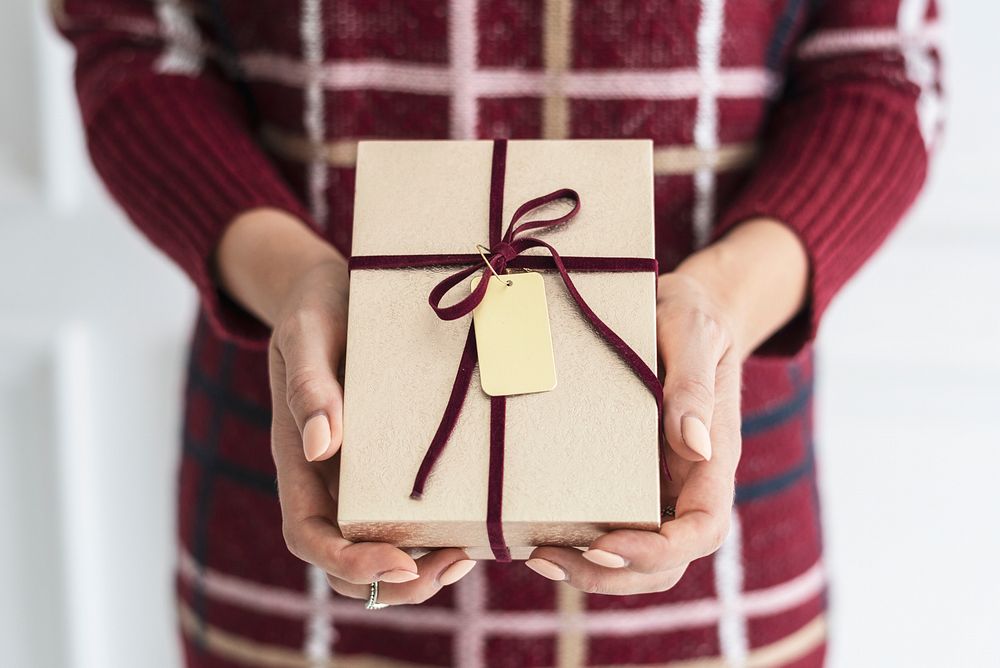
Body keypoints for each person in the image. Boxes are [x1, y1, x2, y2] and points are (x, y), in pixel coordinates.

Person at [54, 0, 941, 665]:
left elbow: (882, 67)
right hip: (313, 483)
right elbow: (132, 41)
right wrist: (290, 280)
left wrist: (727, 303)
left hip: (701, 486)